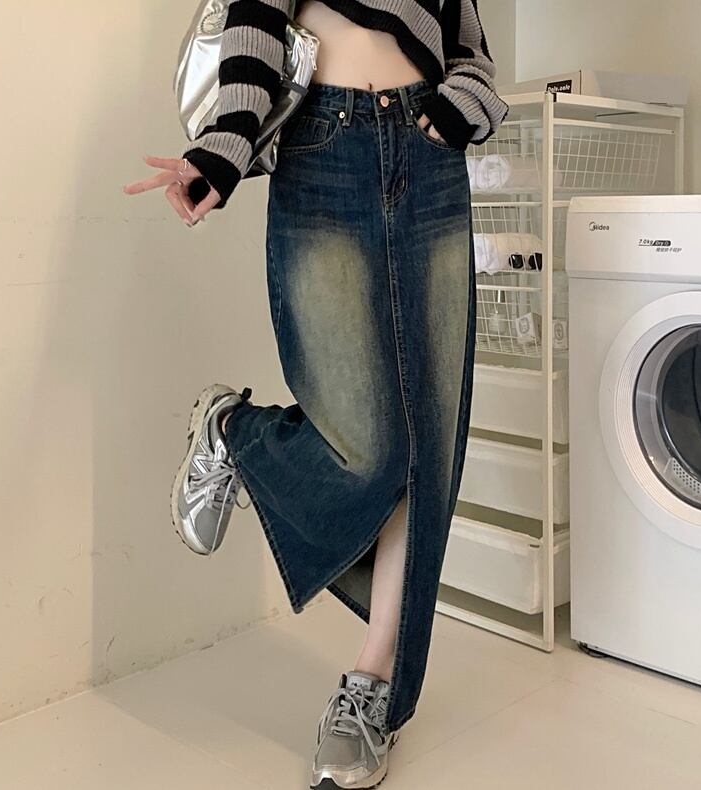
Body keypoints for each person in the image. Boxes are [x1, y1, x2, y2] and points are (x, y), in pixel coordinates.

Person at [123, 2, 507, 787]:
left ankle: (371, 686)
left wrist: (456, 109)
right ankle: (235, 434)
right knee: (369, 449)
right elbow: (256, 22)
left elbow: (469, 48)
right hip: (324, 144)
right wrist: (223, 148)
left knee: (428, 449)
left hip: (431, 153)